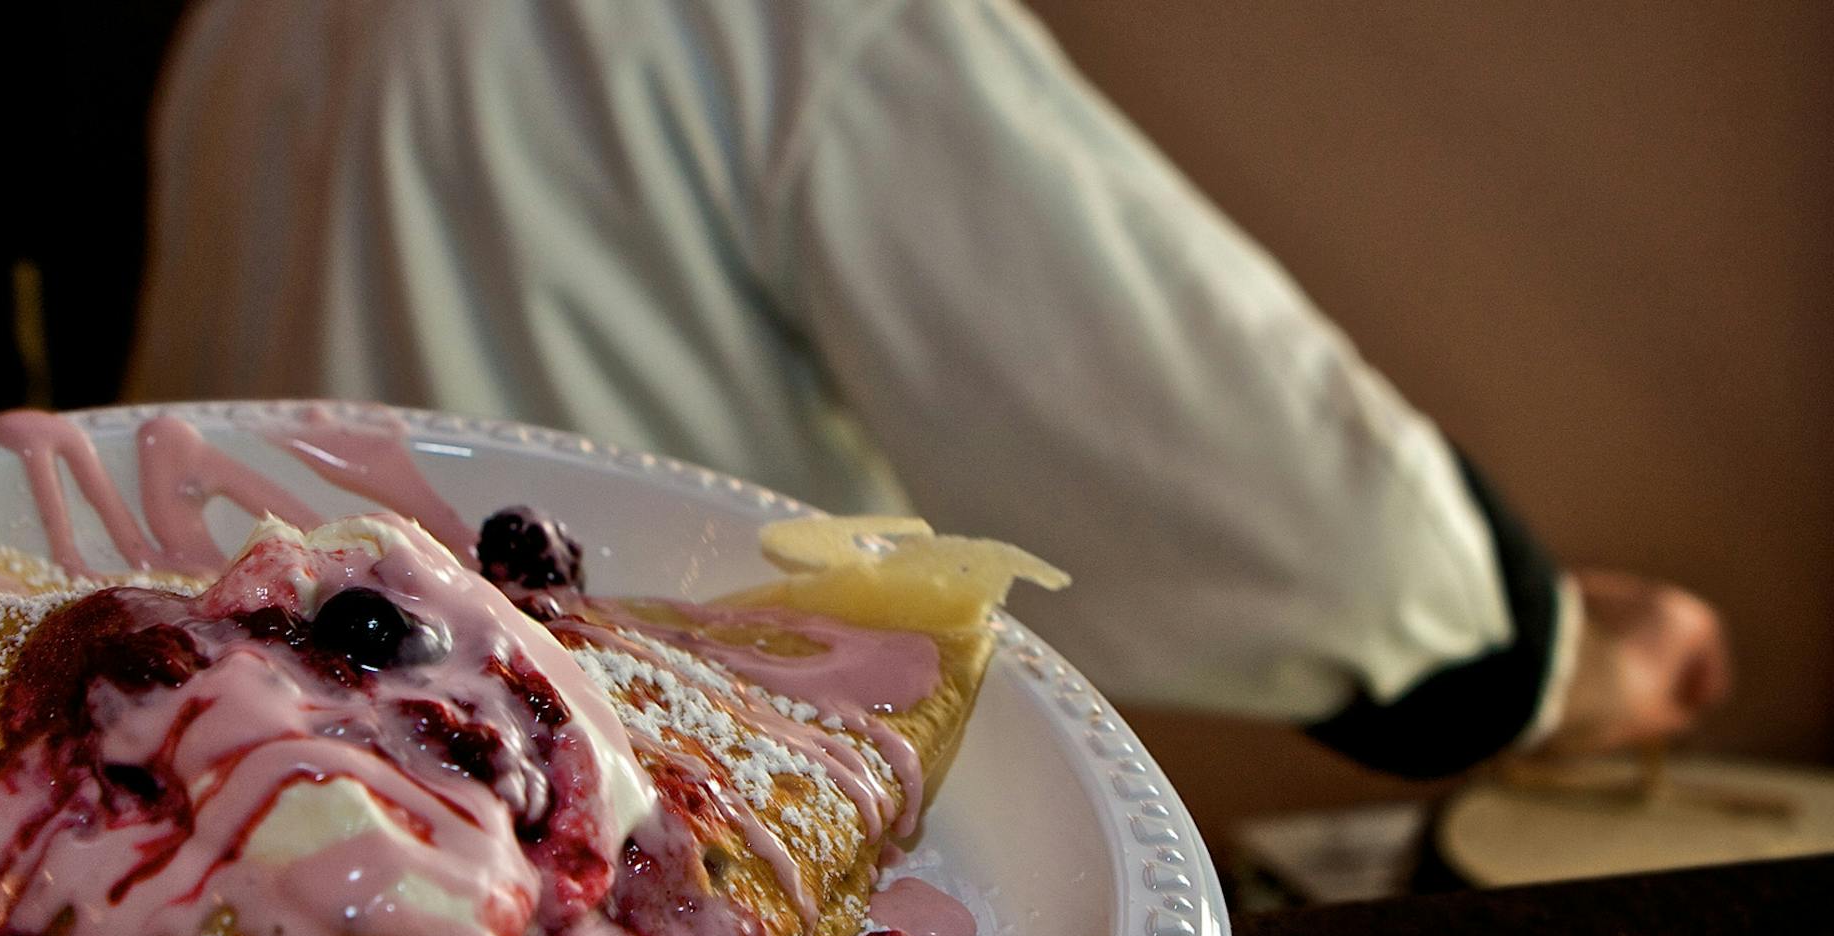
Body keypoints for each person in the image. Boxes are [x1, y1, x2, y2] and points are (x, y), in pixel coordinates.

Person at [126, 0, 1728, 778]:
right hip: (611, 863)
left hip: (214, 806)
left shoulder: (244, 21)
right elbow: (1254, 487)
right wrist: (1545, 656)